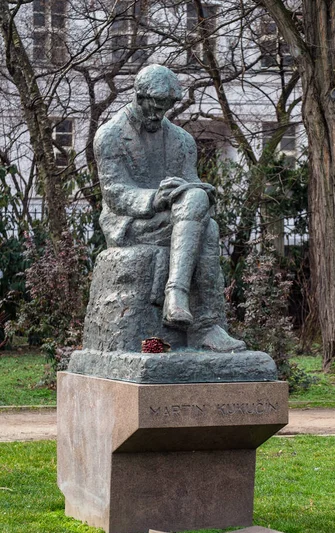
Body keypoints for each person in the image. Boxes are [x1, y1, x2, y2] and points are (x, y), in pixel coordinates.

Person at [94, 64, 245, 352]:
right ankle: (201, 322)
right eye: (155, 106)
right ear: (139, 97)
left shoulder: (182, 140)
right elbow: (114, 193)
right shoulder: (110, 135)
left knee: (202, 209)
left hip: (178, 218)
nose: (158, 114)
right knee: (208, 230)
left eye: (165, 108)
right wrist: (155, 199)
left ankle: (181, 301)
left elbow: (192, 184)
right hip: (133, 222)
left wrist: (199, 190)